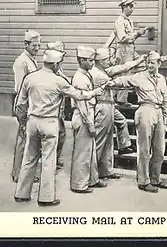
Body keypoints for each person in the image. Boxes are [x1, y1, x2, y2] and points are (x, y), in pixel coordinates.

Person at [13, 49, 105, 206]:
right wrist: (95, 92)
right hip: (49, 122)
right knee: (49, 160)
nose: (60, 66)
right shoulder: (58, 81)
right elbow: (79, 95)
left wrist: (22, 122)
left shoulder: (30, 78)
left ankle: (21, 193)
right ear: (55, 64)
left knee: (29, 157)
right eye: (59, 64)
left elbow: (20, 104)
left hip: (32, 121)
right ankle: (46, 197)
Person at [106, 51, 167, 193]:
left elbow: (165, 100)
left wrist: (164, 121)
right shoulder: (140, 77)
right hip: (145, 111)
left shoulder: (162, 79)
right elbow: (124, 81)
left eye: (153, 62)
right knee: (144, 149)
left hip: (158, 112)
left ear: (159, 63)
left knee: (159, 150)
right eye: (148, 62)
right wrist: (111, 82)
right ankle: (143, 181)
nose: (149, 65)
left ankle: (155, 179)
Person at [90, 48, 146, 181]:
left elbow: (120, 68)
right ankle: (91, 175)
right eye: (107, 60)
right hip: (102, 106)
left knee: (109, 140)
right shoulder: (98, 74)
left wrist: (138, 60)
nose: (109, 61)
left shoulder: (102, 70)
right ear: (100, 61)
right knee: (100, 141)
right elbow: (118, 83)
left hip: (109, 105)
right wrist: (138, 79)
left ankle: (106, 171)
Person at [70, 46, 107, 193]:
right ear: (81, 60)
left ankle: (92, 179)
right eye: (90, 61)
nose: (93, 63)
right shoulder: (80, 78)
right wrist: (89, 124)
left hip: (88, 113)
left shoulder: (86, 75)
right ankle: (79, 184)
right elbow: (82, 103)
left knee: (90, 151)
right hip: (83, 115)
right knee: (82, 152)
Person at [104, 0, 148, 108]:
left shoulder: (129, 21)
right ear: (124, 7)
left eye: (132, 6)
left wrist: (138, 34)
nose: (132, 9)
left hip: (130, 49)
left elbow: (130, 38)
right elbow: (122, 38)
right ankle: (120, 99)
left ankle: (129, 91)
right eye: (130, 6)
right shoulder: (120, 21)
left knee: (142, 65)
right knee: (124, 72)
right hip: (123, 49)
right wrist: (137, 34)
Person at [11, 29, 41, 183]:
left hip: (32, 104)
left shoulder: (32, 60)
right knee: (24, 139)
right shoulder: (21, 61)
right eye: (34, 45)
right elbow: (20, 87)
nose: (37, 49)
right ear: (26, 44)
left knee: (30, 139)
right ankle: (18, 174)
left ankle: (25, 172)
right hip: (24, 104)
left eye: (38, 46)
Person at [46, 41, 70, 170]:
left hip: (59, 106)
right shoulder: (54, 70)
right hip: (53, 107)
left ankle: (54, 157)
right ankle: (51, 160)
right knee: (56, 134)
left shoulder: (59, 68)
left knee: (60, 133)